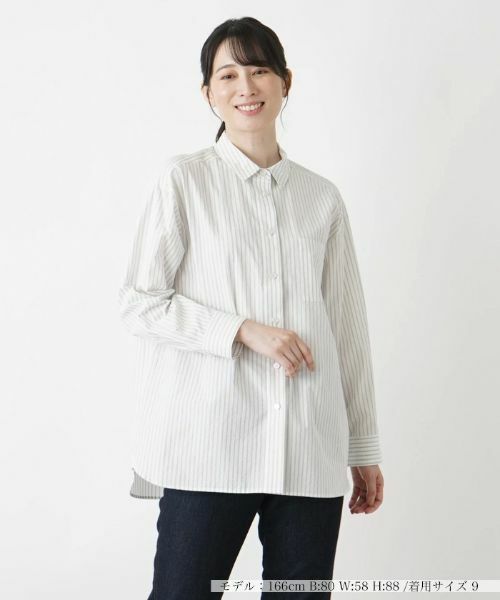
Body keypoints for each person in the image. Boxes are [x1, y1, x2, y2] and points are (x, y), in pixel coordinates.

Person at [117, 16, 385, 600]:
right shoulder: (184, 181)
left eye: (260, 70)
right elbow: (140, 303)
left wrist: (362, 447)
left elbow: (347, 329)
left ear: (286, 82)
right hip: (210, 449)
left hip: (308, 449)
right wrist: (241, 330)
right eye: (229, 74)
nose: (246, 87)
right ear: (208, 93)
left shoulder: (321, 198)